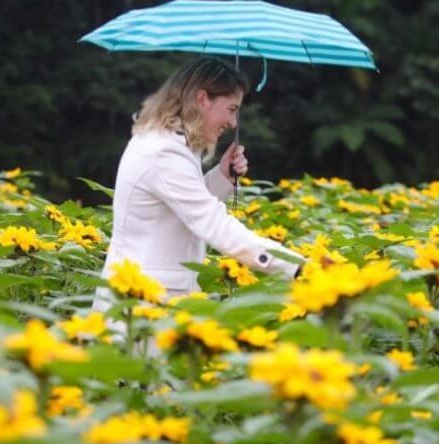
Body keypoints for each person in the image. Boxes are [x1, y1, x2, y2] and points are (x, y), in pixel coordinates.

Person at [92, 57, 301, 313]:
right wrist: (296, 267)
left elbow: (178, 210)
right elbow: (213, 224)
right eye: (232, 109)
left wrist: (223, 175)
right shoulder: (165, 152)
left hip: (152, 302)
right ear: (202, 99)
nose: (234, 123)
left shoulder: (168, 142)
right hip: (138, 307)